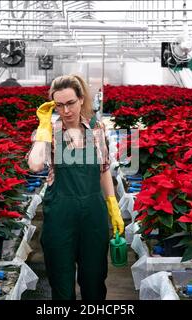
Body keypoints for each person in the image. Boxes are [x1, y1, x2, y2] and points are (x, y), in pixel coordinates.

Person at [26, 74, 124, 300]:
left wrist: (113, 206)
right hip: (60, 216)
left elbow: (104, 169)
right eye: (59, 105)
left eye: (70, 103)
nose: (66, 110)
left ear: (81, 99)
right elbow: (35, 164)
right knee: (61, 284)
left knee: (95, 281)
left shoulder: (96, 129)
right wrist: (43, 129)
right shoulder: (49, 130)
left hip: (93, 215)